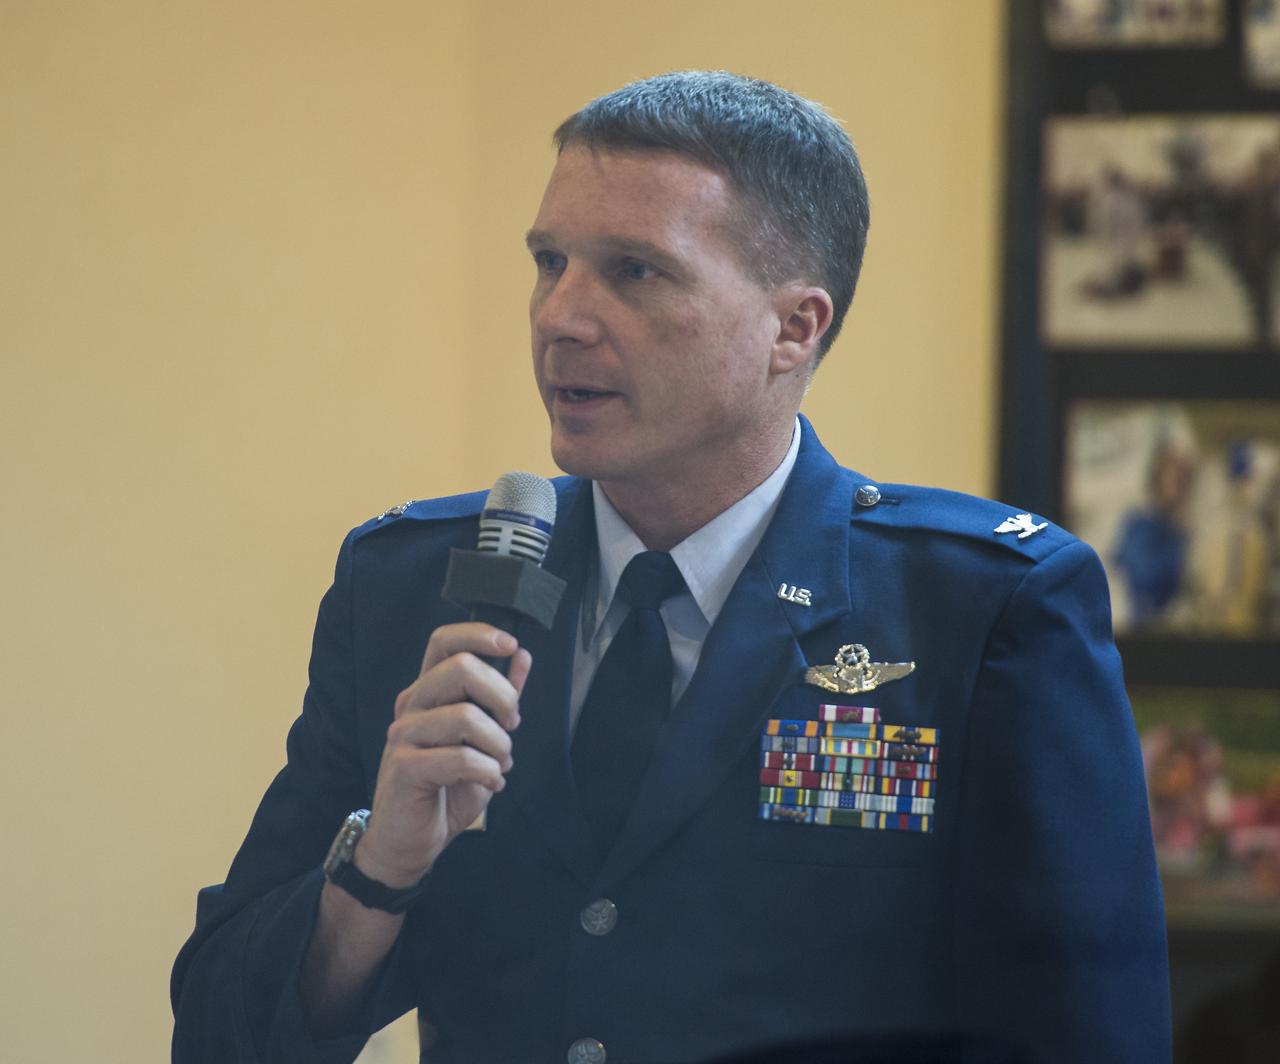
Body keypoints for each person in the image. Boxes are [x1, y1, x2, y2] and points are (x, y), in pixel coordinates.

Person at [171, 71, 1171, 1064]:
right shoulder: (413, 585)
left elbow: (1083, 1036)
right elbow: (220, 1035)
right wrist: (377, 867)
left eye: (633, 271)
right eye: (548, 260)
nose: (560, 314)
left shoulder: (979, 610)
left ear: (794, 327)